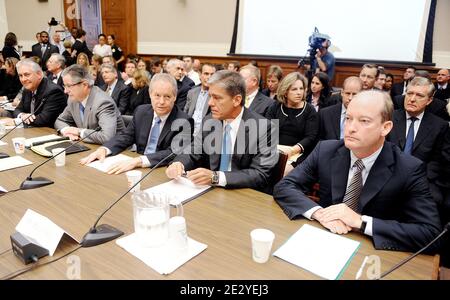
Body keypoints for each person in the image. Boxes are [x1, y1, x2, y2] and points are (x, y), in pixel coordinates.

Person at [274, 90, 442, 252]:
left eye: (364, 121)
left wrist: (361, 222)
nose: (351, 128)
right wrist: (319, 213)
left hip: (372, 252)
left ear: (386, 127)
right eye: (348, 118)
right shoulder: (326, 150)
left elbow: (431, 233)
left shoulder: (408, 168)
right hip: (324, 238)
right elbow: (285, 186)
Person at [166, 70, 278, 193]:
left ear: (236, 100)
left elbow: (260, 174)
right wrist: (179, 163)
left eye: (217, 98)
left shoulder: (264, 128)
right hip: (210, 192)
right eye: (210, 96)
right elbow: (193, 151)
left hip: (244, 194)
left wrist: (217, 177)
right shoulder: (210, 120)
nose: (210, 103)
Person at [80, 73, 193, 174]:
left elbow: (172, 152)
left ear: (175, 97)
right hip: (137, 169)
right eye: (157, 95)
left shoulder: (184, 121)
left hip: (161, 170)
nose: (161, 102)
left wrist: (138, 161)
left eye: (167, 96)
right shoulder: (141, 112)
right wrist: (104, 149)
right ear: (150, 95)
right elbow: (126, 136)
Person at [387, 77, 448, 204]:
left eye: (419, 95)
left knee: (436, 200)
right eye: (409, 93)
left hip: (421, 177)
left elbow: (437, 161)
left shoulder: (439, 125)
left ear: (429, 100)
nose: (412, 99)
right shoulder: (389, 118)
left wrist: (418, 177)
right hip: (388, 174)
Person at [54, 64, 125, 144]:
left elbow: (107, 137)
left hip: (117, 150)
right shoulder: (73, 99)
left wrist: (79, 132)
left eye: (69, 86)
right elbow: (60, 120)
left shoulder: (103, 102)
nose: (65, 91)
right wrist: (66, 130)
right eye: (64, 86)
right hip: (89, 146)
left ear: (84, 85)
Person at [265, 72, 319, 172]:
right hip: (275, 150)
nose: (299, 92)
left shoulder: (309, 110)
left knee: (282, 171)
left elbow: (310, 137)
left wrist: (292, 150)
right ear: (285, 92)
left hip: (299, 154)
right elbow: (267, 132)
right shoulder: (275, 107)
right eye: (294, 89)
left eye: (301, 88)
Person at [3, 59, 66, 127]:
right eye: (20, 76)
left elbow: (44, 119)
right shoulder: (27, 89)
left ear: (39, 74)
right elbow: (17, 110)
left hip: (49, 132)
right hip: (31, 129)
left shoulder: (53, 91)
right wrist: (23, 115)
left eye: (27, 75)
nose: (23, 79)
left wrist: (17, 121)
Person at [319, 76, 363, 141]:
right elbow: (319, 141)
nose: (350, 98)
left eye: (354, 94)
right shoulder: (325, 114)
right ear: (342, 93)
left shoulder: (366, 117)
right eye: (348, 93)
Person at [184, 63, 216, 135]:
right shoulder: (192, 92)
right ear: (200, 75)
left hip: (205, 133)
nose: (209, 77)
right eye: (206, 74)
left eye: (212, 75)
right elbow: (185, 112)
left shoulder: (216, 96)